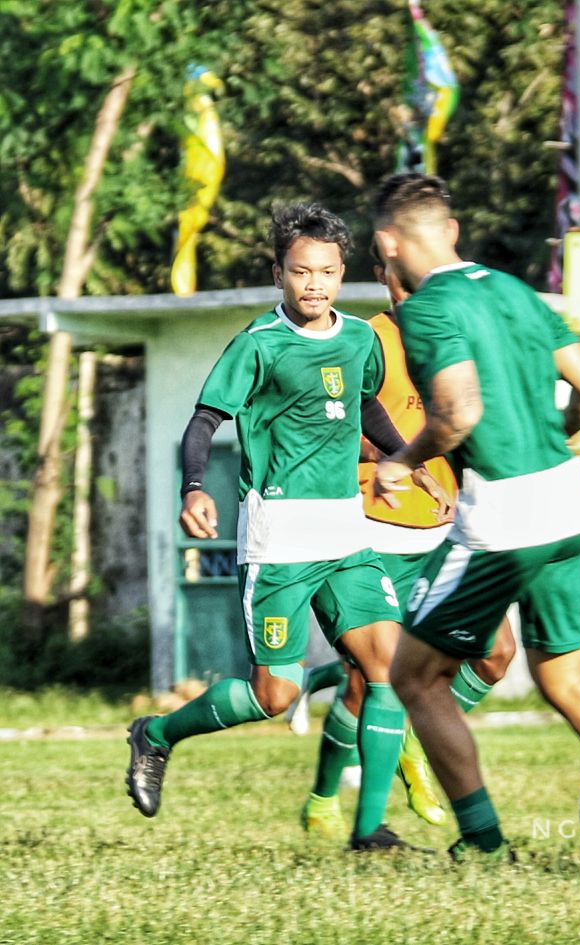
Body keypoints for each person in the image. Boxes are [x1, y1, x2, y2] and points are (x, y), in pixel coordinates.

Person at [369, 172, 580, 860]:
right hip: (568, 507)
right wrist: (553, 436)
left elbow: (458, 414)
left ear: (387, 244)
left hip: (501, 520)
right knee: (565, 676)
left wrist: (402, 462)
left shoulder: (428, 310)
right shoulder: (514, 290)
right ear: (452, 230)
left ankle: (483, 841)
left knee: (414, 676)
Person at [125, 203, 422, 851]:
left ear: (343, 273)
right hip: (279, 539)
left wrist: (405, 459)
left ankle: (368, 830)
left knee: (386, 670)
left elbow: (364, 403)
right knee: (273, 693)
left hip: (347, 535)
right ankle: (156, 734)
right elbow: (203, 423)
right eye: (300, 271)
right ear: (278, 273)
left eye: (326, 271)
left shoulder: (361, 339)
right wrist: (194, 488)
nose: (314, 284)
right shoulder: (258, 344)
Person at [300, 245, 519, 836]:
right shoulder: (369, 340)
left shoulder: (458, 337)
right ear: (382, 279)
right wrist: (396, 463)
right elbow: (335, 422)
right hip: (374, 524)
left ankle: (419, 744)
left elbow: (471, 421)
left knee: (497, 651)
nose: (413, 291)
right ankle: (331, 805)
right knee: (367, 681)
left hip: (447, 527)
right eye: (400, 281)